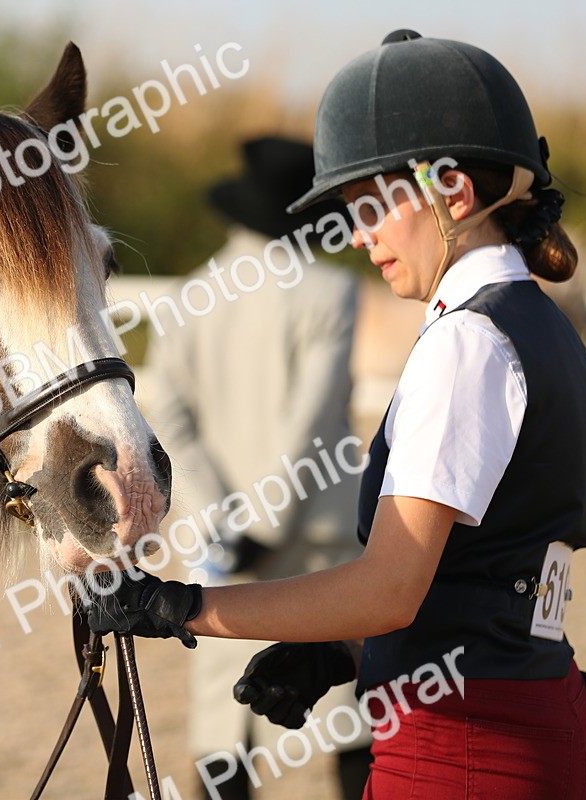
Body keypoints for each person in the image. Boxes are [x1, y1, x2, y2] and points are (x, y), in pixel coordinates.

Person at [89, 30, 586, 798]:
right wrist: (339, 651)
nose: (359, 237)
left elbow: (390, 587)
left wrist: (182, 605)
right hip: (535, 711)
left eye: (372, 207)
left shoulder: (467, 339)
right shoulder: (539, 325)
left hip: (461, 748)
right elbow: (483, 578)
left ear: (453, 193)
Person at [142, 136, 371, 799]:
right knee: (345, 717)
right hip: (316, 545)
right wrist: (268, 523)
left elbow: (172, 425)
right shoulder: (332, 293)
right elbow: (310, 419)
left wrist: (224, 522)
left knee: (224, 723)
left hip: (223, 552)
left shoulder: (187, 299)